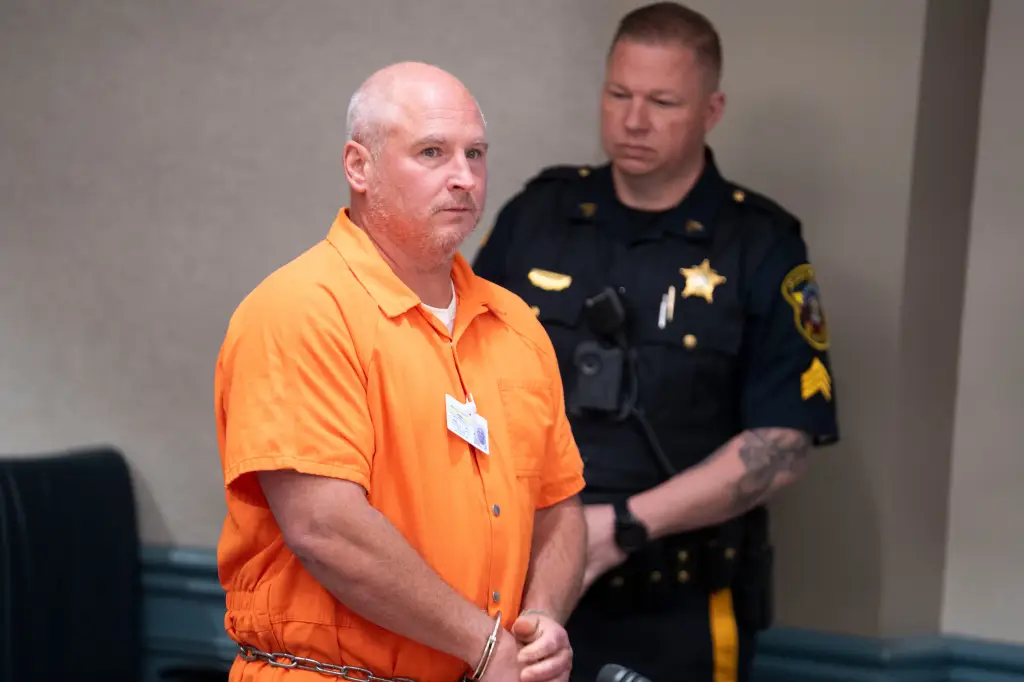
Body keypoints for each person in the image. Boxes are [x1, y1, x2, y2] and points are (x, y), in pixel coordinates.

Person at [472, 3, 840, 681]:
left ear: (712, 108)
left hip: (677, 604)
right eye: (619, 95)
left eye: (663, 101)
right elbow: (452, 375)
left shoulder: (759, 243)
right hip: (513, 585)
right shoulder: (539, 215)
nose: (633, 120)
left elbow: (784, 446)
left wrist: (619, 528)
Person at [214, 62, 587, 682]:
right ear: (359, 166)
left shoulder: (515, 323)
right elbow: (324, 525)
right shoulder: (301, 309)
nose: (463, 178)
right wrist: (486, 645)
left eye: (475, 154)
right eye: (432, 153)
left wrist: (538, 626)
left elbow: (560, 506)